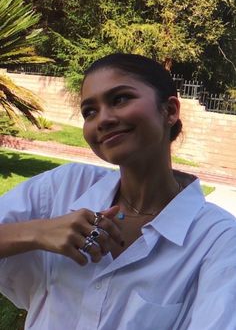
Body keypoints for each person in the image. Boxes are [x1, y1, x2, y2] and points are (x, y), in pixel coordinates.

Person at [0, 53, 236, 330]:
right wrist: (38, 232)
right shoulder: (64, 187)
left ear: (170, 111)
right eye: (90, 111)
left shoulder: (217, 241)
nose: (103, 119)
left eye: (120, 99)